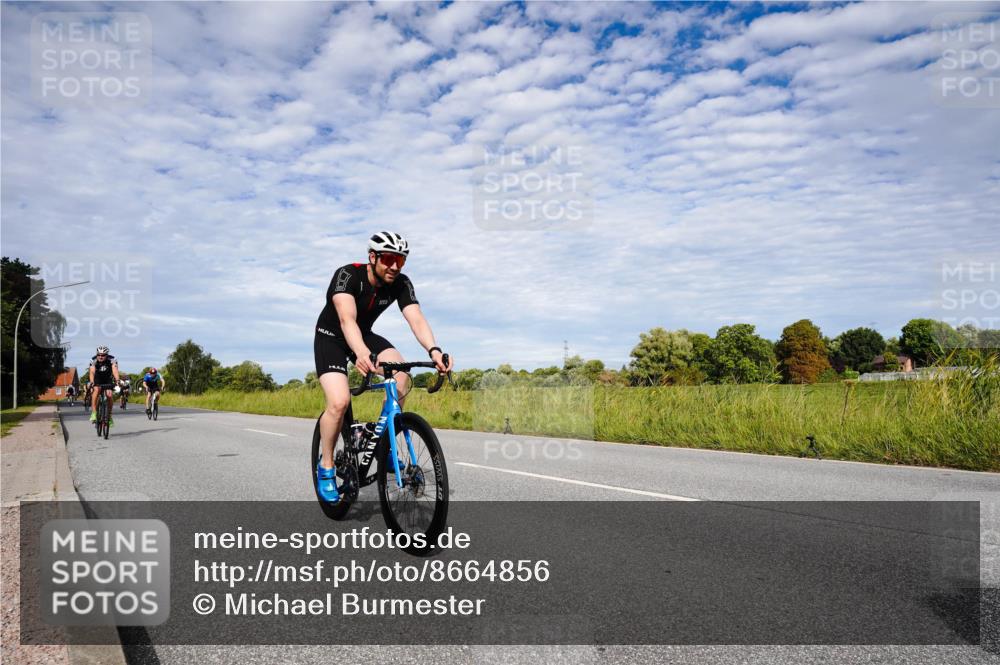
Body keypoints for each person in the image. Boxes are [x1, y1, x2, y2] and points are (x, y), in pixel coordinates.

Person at [313, 231, 452, 503]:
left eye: (401, 261)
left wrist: (434, 350)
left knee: (401, 375)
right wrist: (362, 353)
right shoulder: (347, 275)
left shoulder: (400, 283)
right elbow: (346, 319)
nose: (395, 266)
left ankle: (384, 441)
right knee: (339, 402)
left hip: (363, 334)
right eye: (389, 259)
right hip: (332, 337)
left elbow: (416, 318)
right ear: (372, 257)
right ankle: (326, 466)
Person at [88, 345, 121, 426]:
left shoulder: (112, 360)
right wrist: (92, 382)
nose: (100, 357)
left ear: (106, 355)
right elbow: (92, 372)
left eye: (103, 355)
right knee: (96, 390)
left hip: (107, 379)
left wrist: (117, 380)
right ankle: (94, 413)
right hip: (97, 378)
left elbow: (115, 370)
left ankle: (109, 416)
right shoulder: (93, 360)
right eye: (98, 355)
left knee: (109, 395)